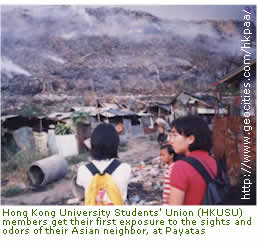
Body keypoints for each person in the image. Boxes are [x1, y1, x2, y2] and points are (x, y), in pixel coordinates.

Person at [167, 115, 217, 205]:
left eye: (174, 135)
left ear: (190, 139)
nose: (170, 141)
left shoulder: (181, 167)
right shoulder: (214, 161)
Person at [76, 123, 131, 203]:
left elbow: (79, 184)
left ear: (92, 145)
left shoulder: (83, 170)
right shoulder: (125, 168)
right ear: (116, 145)